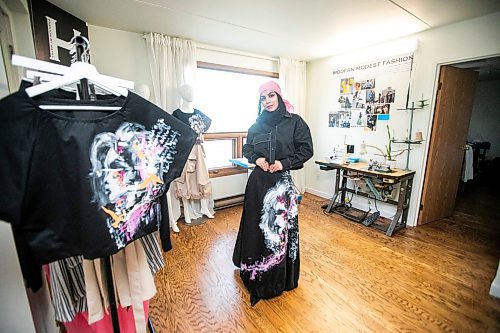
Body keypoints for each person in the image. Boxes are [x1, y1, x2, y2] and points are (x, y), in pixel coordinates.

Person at [232, 81, 313, 306]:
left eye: (271, 96)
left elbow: (306, 150)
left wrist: (284, 163)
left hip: (281, 186)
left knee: (279, 232)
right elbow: (248, 148)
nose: (267, 101)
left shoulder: (295, 123)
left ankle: (278, 278)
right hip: (258, 184)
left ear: (278, 96)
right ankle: (255, 273)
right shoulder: (256, 125)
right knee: (255, 229)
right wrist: (255, 158)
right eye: (263, 98)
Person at [172, 84, 215, 230]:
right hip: (185, 152)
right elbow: (175, 134)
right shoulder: (176, 114)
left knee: (202, 178)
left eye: (192, 90)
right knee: (186, 180)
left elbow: (208, 123)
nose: (190, 94)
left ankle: (205, 208)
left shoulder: (198, 113)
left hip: (198, 148)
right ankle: (188, 212)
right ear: (181, 94)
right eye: (186, 91)